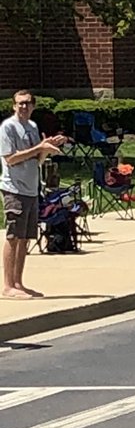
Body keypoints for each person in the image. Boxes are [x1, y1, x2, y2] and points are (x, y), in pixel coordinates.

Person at [0, 90, 67, 297]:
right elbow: (10, 158)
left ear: (33, 106)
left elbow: (35, 161)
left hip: (31, 189)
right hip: (14, 188)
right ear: (13, 106)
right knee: (13, 236)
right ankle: (7, 286)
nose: (23, 107)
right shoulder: (8, 127)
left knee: (25, 238)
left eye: (27, 103)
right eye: (20, 103)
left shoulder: (32, 127)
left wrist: (46, 150)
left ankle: (19, 283)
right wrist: (39, 146)